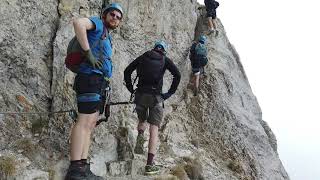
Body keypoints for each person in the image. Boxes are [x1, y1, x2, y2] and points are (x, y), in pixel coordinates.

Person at [65, 3, 123, 180]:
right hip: (89, 78)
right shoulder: (98, 24)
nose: (115, 18)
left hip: (98, 81)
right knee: (83, 122)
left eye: (118, 17)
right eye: (112, 14)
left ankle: (82, 167)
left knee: (90, 124)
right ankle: (74, 169)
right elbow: (78, 23)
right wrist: (88, 53)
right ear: (105, 15)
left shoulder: (106, 36)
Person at [124, 41, 181, 175]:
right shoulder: (165, 60)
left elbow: (127, 71)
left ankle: (140, 134)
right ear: (164, 50)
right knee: (154, 128)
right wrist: (169, 93)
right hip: (156, 97)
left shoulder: (144, 56)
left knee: (142, 120)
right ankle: (149, 164)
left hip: (140, 95)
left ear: (154, 48)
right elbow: (177, 75)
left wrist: (131, 88)